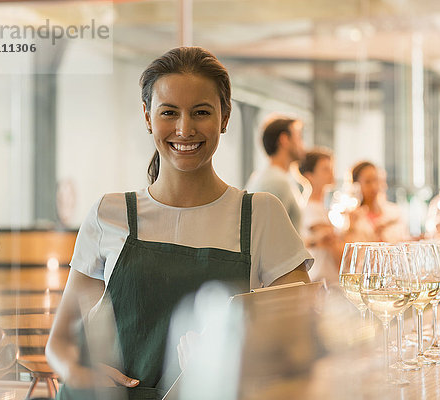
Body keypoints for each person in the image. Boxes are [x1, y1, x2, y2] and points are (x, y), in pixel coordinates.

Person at [45, 47, 312, 399]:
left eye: (201, 112)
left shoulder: (261, 215)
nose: (184, 129)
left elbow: (299, 343)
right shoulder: (109, 214)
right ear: (147, 116)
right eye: (169, 112)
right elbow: (60, 344)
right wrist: (80, 373)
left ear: (225, 117)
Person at [246, 116, 306, 232]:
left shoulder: (269, 176)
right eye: (298, 137)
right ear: (284, 140)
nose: (302, 145)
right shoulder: (277, 182)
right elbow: (270, 234)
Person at [299, 149, 343, 284]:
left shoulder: (321, 207)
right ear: (310, 176)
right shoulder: (312, 209)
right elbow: (336, 248)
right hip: (321, 281)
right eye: (325, 169)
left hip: (326, 280)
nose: (331, 173)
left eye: (331, 168)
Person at [346, 161, 408, 243]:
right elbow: (349, 252)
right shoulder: (352, 218)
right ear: (356, 186)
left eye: (375, 180)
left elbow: (404, 242)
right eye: (367, 182)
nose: (373, 186)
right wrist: (352, 228)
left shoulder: (394, 212)